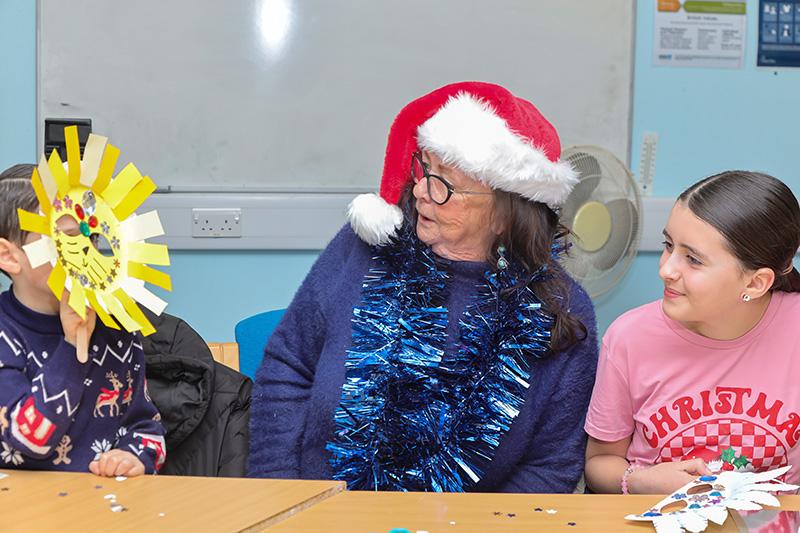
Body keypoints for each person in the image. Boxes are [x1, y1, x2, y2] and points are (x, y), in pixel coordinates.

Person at [248, 81, 598, 492]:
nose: (418, 191)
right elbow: (287, 368)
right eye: (423, 168)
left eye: (443, 184)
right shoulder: (366, 247)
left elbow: (550, 466)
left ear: (505, 215)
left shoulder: (564, 311)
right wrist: (281, 497)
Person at [585, 171, 800, 494]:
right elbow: (598, 464)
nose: (666, 270)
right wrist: (641, 479)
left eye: (693, 260)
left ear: (755, 283)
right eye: (668, 245)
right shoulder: (629, 338)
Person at [0, 164, 165, 476]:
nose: (84, 250)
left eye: (91, 234)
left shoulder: (115, 327)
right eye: (64, 238)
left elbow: (147, 428)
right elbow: (27, 441)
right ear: (9, 256)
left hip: (104, 506)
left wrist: (135, 457)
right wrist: (73, 344)